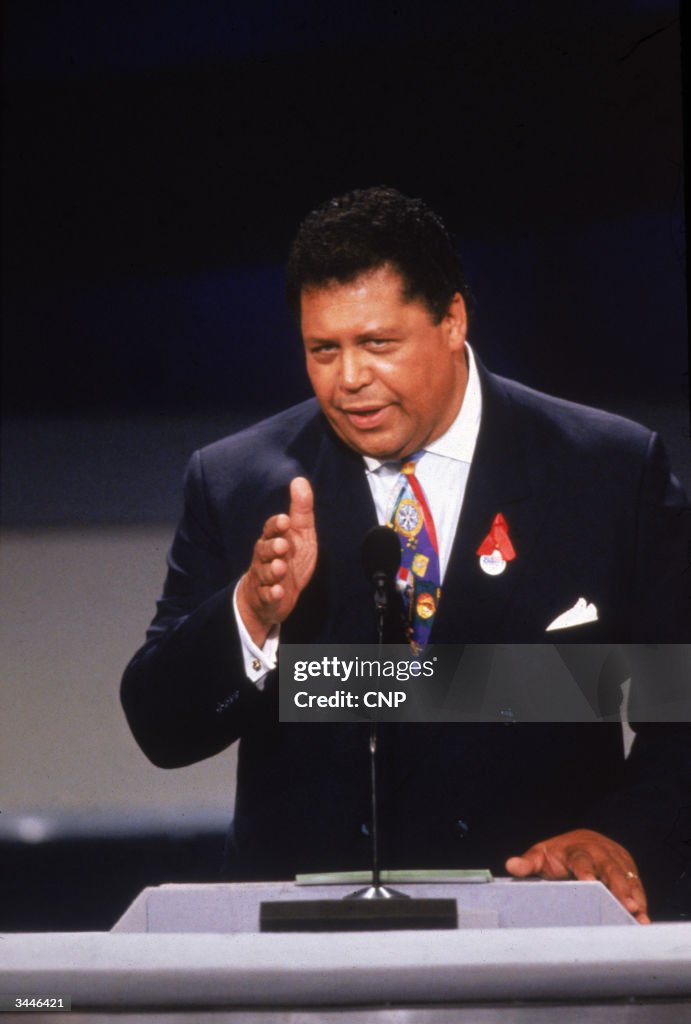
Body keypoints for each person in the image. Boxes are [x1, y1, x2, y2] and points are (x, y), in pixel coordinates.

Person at [121, 187, 691, 922]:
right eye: (323, 349)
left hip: (539, 937)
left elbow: (678, 716)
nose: (348, 378)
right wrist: (250, 615)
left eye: (377, 344)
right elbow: (161, 729)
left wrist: (619, 837)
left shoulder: (607, 471)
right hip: (308, 953)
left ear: (452, 321)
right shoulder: (236, 483)